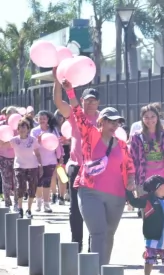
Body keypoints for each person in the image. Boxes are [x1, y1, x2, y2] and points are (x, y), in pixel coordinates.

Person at [61, 79, 135, 275]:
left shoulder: (121, 144)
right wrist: (70, 91)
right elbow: (77, 112)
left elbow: (129, 165)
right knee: (98, 232)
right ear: (100, 121)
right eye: (109, 121)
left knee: (109, 235)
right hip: (89, 191)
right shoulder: (89, 134)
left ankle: (102, 272)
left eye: (116, 121)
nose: (113, 125)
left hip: (116, 196)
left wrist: (132, 182)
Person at [53, 69, 100, 252]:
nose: (90, 103)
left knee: (93, 209)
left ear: (98, 103)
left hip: (96, 169)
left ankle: (92, 246)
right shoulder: (74, 115)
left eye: (94, 100)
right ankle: (76, 243)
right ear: (82, 101)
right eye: (87, 100)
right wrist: (58, 79)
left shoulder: (102, 119)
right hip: (75, 167)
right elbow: (58, 101)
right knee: (75, 208)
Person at [0, 118, 43, 218]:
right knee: (20, 187)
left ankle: (28, 210)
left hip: (32, 166)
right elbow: (3, 145)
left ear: (28, 129)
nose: (22, 129)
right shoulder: (14, 140)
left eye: (24, 127)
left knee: (32, 188)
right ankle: (20, 209)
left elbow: (37, 153)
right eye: (20, 127)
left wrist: (40, 165)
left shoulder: (33, 140)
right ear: (18, 129)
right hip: (19, 166)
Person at [32, 110, 63, 213]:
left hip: (51, 160)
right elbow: (32, 145)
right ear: (37, 119)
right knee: (38, 183)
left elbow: (58, 144)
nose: (42, 120)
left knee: (47, 182)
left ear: (48, 119)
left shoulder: (53, 130)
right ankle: (38, 203)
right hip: (38, 161)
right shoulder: (35, 131)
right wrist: (38, 141)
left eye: (44, 118)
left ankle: (46, 204)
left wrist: (60, 156)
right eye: (40, 119)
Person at [0, 106, 19, 212]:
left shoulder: (20, 127)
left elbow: (20, 141)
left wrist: (8, 144)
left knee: (17, 181)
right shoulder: (1, 126)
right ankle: (7, 202)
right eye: (10, 114)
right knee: (6, 180)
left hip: (17, 157)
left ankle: (17, 203)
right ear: (6, 115)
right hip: (3, 158)